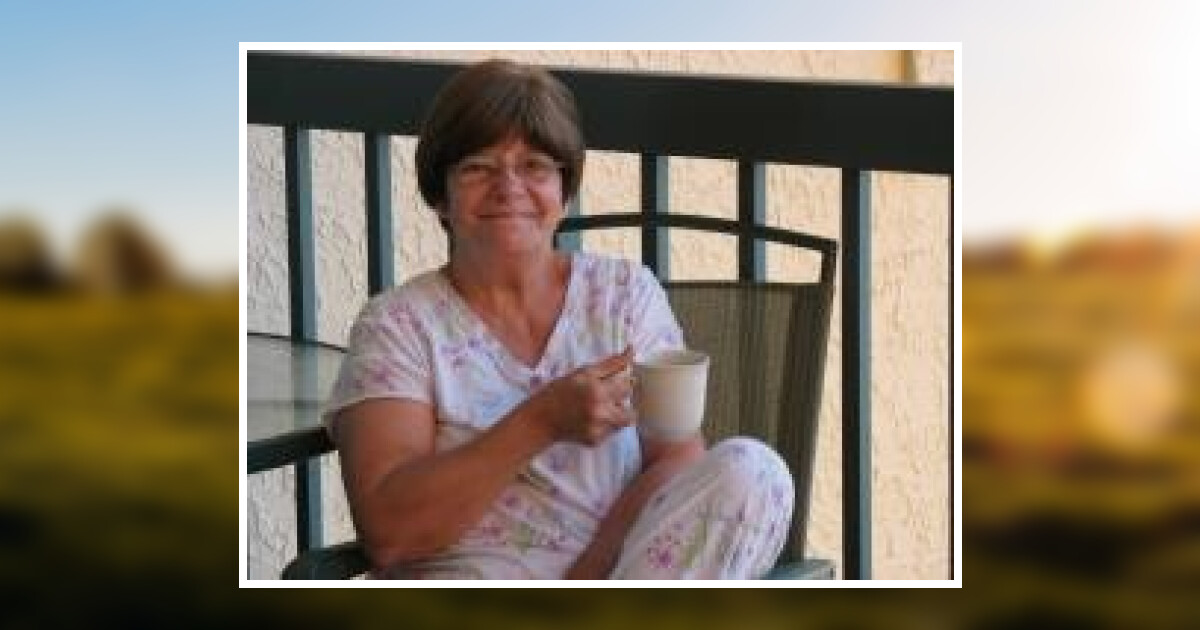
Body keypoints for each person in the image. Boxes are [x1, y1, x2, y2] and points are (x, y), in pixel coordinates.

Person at [323, 58, 794, 579]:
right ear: (440, 196)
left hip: (620, 580)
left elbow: (676, 455)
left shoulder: (623, 295)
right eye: (478, 167)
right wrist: (540, 421)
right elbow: (389, 533)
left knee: (754, 471)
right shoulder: (397, 326)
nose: (509, 187)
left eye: (535, 166)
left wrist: (593, 570)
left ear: (564, 193)